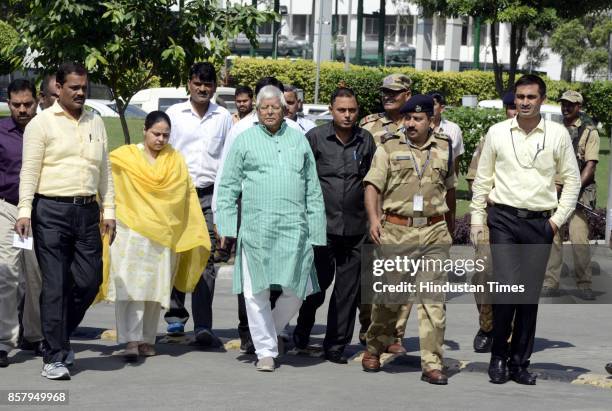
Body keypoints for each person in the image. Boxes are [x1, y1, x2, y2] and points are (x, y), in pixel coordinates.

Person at [470, 74, 581, 385]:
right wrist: (477, 220)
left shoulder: (557, 135)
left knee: (528, 297)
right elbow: (482, 180)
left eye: (531, 97)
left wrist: (556, 221)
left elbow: (572, 180)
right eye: (520, 97)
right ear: (514, 99)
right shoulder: (498, 132)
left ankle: (520, 363)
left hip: (539, 224)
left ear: (542, 100)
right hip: (503, 220)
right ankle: (498, 357)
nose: (525, 102)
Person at [15, 62, 116, 380]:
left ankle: (55, 334)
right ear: (58, 88)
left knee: (89, 282)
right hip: (50, 213)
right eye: (74, 87)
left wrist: (109, 211)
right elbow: (29, 170)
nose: (81, 93)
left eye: (84, 87)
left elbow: (105, 172)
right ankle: (55, 356)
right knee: (55, 284)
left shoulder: (95, 122)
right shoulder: (41, 124)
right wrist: (24, 211)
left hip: (87, 212)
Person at [216, 85, 326, 372]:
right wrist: (226, 225)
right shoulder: (245, 138)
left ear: (283, 108)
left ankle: (270, 331)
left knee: (298, 288)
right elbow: (227, 185)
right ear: (256, 109)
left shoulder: (298, 139)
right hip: (256, 229)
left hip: (294, 227)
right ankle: (265, 349)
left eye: (274, 107)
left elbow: (312, 187)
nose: (269, 112)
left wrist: (316, 229)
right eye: (263, 107)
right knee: (256, 292)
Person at [361, 95, 456, 385]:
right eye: (408, 118)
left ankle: (431, 364)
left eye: (418, 119)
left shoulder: (444, 147)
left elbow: (450, 190)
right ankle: (375, 346)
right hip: (397, 231)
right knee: (390, 297)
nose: (412, 123)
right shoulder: (389, 146)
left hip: (433, 231)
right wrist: (375, 220)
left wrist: (450, 227)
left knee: (433, 301)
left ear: (430, 120)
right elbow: (372, 186)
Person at [105, 111, 211, 361]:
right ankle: (130, 340)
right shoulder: (126, 157)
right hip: (131, 231)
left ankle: (146, 339)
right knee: (131, 289)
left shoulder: (175, 160)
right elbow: (109, 186)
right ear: (145, 130)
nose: (161, 139)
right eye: (156, 134)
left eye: (166, 135)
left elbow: (184, 195)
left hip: (163, 234)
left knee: (154, 289)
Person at [292, 87, 376, 364]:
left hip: (356, 229)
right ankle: (302, 333)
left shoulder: (366, 141)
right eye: (342, 110)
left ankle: (336, 346)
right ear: (331, 109)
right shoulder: (315, 138)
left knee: (347, 293)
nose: (348, 115)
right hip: (321, 228)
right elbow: (300, 180)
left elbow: (372, 184)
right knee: (316, 288)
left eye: (352, 110)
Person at [164, 62, 232, 346]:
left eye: (208, 84)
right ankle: (175, 317)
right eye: (197, 83)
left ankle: (204, 325)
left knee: (206, 258)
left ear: (214, 87)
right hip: (178, 194)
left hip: (209, 194)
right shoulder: (174, 114)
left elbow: (227, 159)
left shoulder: (223, 116)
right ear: (189, 85)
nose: (203, 89)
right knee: (176, 254)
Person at [357, 73, 412, 348]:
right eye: (385, 92)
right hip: (374, 210)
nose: (388, 96)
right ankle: (369, 327)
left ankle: (395, 334)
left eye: (395, 92)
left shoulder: (417, 124)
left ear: (407, 95)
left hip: (404, 211)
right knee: (372, 276)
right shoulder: (369, 125)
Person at [465, 91, 516, 353]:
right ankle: (488, 326)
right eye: (511, 107)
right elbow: (474, 179)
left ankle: (508, 331)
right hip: (491, 214)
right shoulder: (492, 137)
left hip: (523, 219)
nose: (516, 111)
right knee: (484, 274)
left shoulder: (547, 138)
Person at [0, 79, 44, 367]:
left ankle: (35, 335)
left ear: (37, 101)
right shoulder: (1, 132)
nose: (22, 110)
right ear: (8, 103)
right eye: (16, 105)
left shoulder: (46, 129)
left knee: (36, 276)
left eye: (27, 104)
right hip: (8, 209)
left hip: (40, 211)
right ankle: (4, 341)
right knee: (7, 274)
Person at [542, 90, 599, 301]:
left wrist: (572, 189)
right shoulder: (554, 131)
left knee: (578, 239)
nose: (566, 108)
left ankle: (584, 284)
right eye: (563, 104)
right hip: (553, 193)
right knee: (553, 239)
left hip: (578, 196)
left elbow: (590, 166)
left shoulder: (589, 133)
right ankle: (550, 282)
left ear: (579, 107)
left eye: (570, 105)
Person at [428, 91, 464, 176]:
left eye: (433, 104)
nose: (429, 107)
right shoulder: (416, 127)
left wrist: (453, 186)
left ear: (442, 108)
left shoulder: (453, 129)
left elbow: (455, 160)